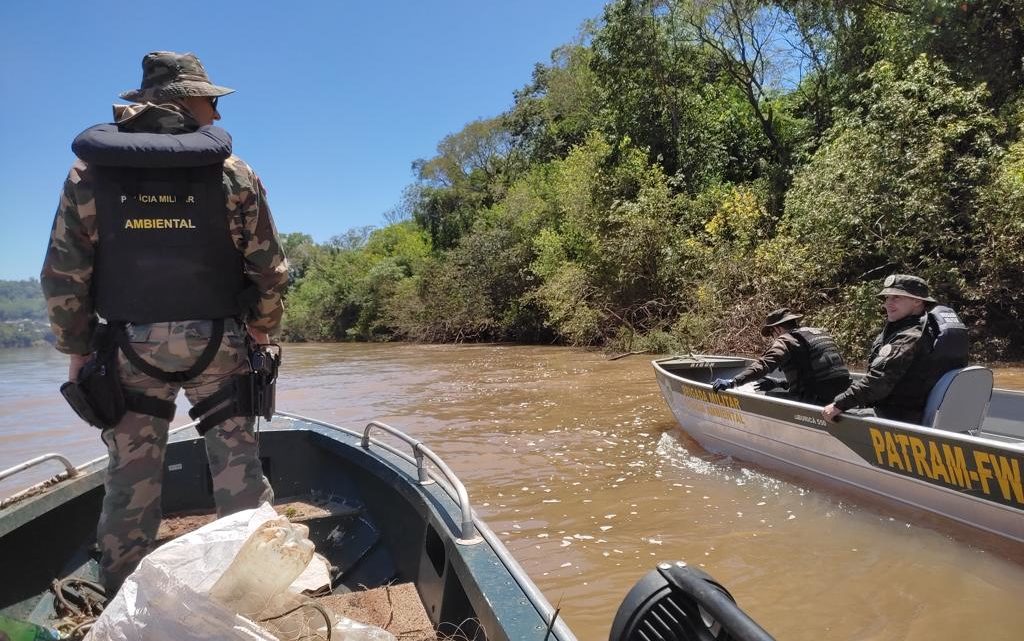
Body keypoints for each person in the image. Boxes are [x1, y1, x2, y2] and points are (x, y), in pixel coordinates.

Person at [40, 51, 289, 592]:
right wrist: (262, 331)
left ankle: (124, 596)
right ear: (181, 100)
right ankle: (259, 590)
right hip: (219, 344)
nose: (216, 117)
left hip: (129, 347)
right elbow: (269, 267)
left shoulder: (88, 174)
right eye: (210, 102)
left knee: (130, 479)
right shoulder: (234, 172)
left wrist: (78, 350)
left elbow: (64, 276)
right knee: (239, 469)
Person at [822, 274, 966, 424]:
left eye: (896, 297)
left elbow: (878, 381)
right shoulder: (925, 328)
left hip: (897, 417)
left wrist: (839, 404)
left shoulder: (910, 336)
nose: (887, 304)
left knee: (835, 415)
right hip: (908, 413)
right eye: (887, 298)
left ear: (917, 300)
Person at [711, 308, 850, 405]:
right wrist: (779, 383)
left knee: (756, 398)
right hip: (844, 395)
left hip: (814, 399)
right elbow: (814, 372)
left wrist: (733, 382)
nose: (773, 337)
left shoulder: (786, 340)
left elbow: (764, 364)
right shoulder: (818, 333)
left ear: (777, 329)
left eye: (772, 333)